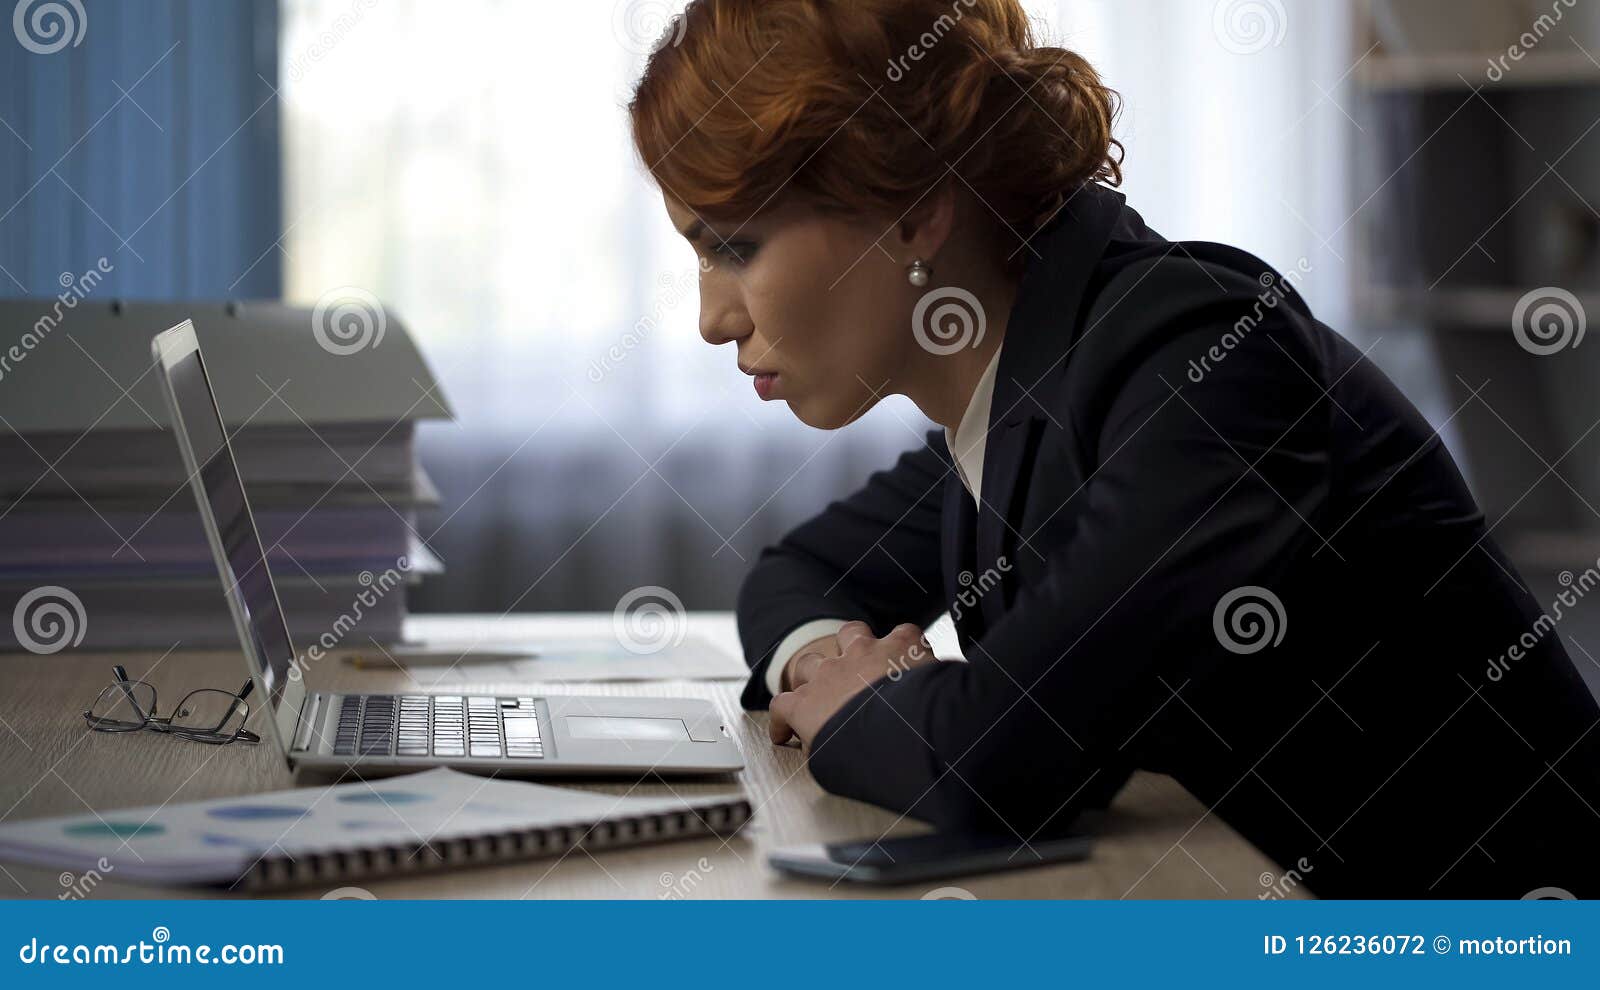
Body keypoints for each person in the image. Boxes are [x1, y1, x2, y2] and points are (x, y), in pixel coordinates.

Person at [628, 0, 1600, 897]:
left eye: (735, 247)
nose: (712, 319)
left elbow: (1002, 755)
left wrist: (851, 713)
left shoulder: (1201, 359)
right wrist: (826, 660)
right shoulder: (1027, 388)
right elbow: (796, 572)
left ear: (917, 206)